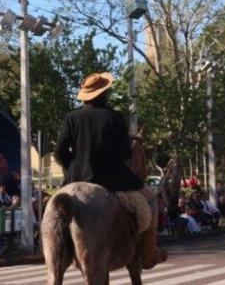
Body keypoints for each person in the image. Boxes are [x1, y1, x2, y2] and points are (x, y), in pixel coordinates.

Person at [54, 72, 166, 270]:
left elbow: (59, 151)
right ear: (104, 93)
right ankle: (148, 255)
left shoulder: (72, 117)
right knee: (151, 200)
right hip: (112, 180)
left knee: (52, 208)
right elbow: (124, 153)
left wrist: (72, 168)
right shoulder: (114, 117)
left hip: (75, 178)